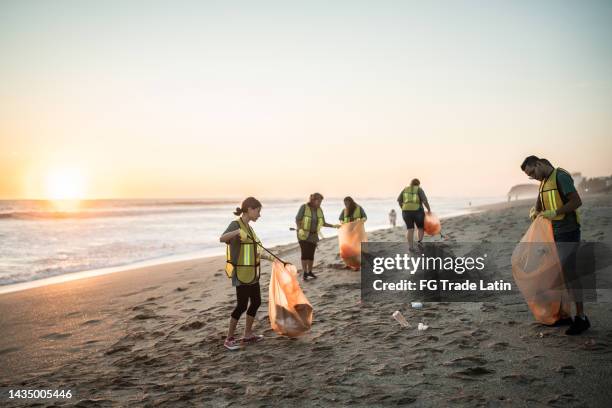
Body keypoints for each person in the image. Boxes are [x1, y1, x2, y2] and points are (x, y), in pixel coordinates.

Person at [521, 155, 589, 335]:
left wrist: (556, 212)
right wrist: (535, 211)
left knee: (570, 273)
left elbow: (576, 201)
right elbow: (540, 202)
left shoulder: (560, 177)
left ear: (540, 164)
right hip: (553, 232)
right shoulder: (544, 181)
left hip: (568, 231)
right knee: (558, 274)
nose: (533, 177)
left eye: (533, 172)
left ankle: (581, 318)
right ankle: (563, 315)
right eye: (530, 176)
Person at [219, 197, 276, 350]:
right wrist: (237, 232)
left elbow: (256, 250)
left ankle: (248, 334)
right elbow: (222, 238)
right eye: (258, 211)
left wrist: (272, 258)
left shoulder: (250, 228)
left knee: (256, 302)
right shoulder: (236, 224)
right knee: (242, 305)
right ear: (249, 209)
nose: (259, 214)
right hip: (242, 272)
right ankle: (229, 339)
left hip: (252, 272)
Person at [296, 193, 339, 280]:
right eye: (318, 200)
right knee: (305, 253)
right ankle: (305, 272)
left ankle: (310, 272)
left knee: (311, 254)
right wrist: (300, 229)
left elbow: (323, 223)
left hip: (314, 235)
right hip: (303, 234)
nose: (320, 202)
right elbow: (297, 219)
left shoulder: (319, 210)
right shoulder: (304, 207)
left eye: (321, 201)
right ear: (313, 200)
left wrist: (334, 226)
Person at [397, 179, 431, 251]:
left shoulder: (405, 189)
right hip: (417, 211)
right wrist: (429, 209)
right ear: (418, 184)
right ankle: (419, 242)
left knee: (410, 229)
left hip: (406, 211)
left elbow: (399, 200)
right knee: (420, 227)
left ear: (411, 183)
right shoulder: (419, 189)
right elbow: (425, 201)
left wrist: (403, 208)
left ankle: (410, 247)